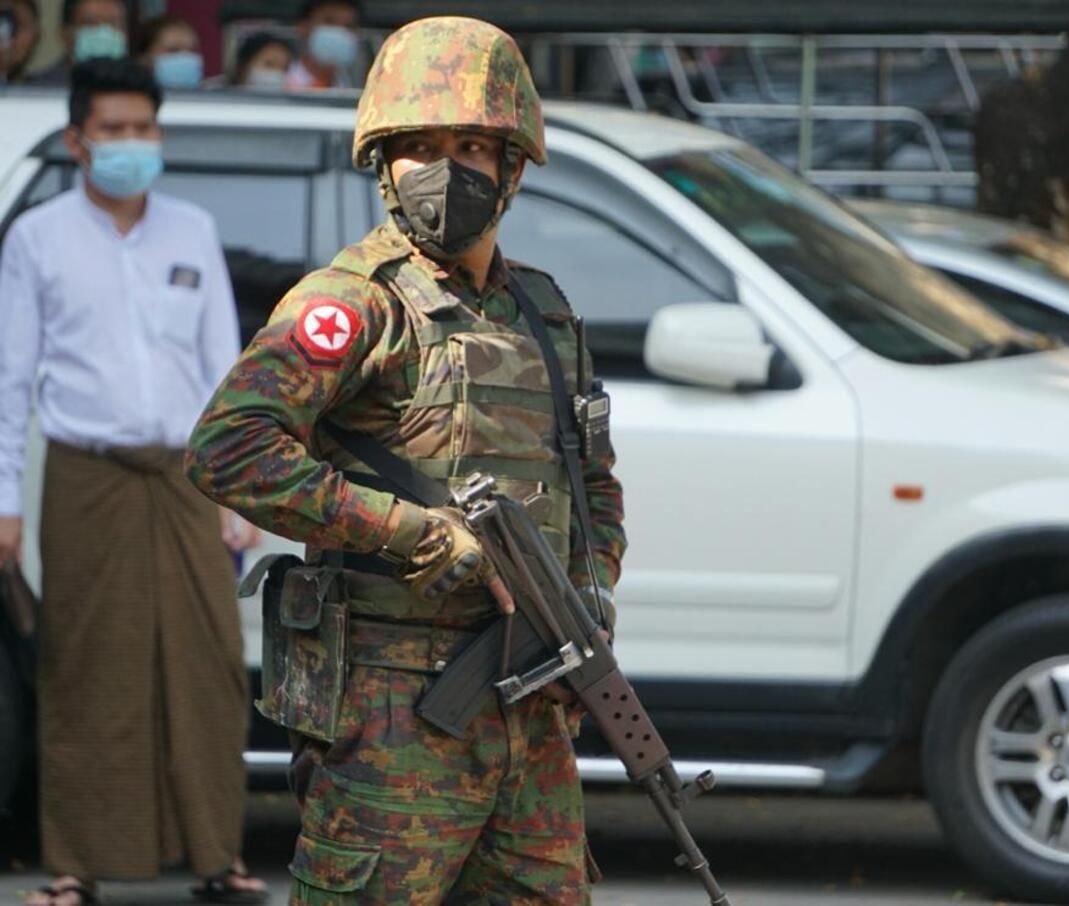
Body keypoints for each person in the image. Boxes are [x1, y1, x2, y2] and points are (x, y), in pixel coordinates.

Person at [185, 15, 626, 904]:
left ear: (511, 166)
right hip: (396, 713)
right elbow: (229, 449)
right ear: (385, 164)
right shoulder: (356, 303)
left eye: (471, 144)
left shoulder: (543, 312)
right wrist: (418, 535)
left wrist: (588, 600)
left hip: (533, 710)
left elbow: (596, 487)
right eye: (419, 145)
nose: (445, 169)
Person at [0, 58, 267, 906]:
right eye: (113, 131)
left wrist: (237, 494)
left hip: (187, 478)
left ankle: (217, 858)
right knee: (86, 669)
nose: (130, 145)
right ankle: (77, 865)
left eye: (143, 129)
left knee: (210, 665)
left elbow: (224, 370)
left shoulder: (190, 229)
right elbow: (10, 382)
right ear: (78, 140)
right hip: (85, 478)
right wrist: (4, 503)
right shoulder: (38, 236)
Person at [29, 0, 126, 85]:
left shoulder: (136, 87)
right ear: (64, 35)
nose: (104, 33)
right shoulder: (39, 88)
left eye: (113, 23)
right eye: (91, 23)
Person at [286, 0, 360, 90]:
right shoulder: (280, 82)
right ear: (303, 27)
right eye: (329, 22)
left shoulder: (358, 89)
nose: (339, 33)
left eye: (348, 26)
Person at [135, 14, 202, 90]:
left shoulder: (209, 99)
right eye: (173, 50)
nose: (185, 56)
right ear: (144, 59)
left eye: (192, 50)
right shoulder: (132, 99)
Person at [227, 30, 292, 89]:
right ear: (244, 66)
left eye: (285, 67)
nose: (278, 73)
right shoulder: (220, 99)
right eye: (269, 64)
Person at [0, 0, 40, 85]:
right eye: (3, 23)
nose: (11, 35)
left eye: (20, 24)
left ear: (36, 35)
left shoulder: (49, 89)